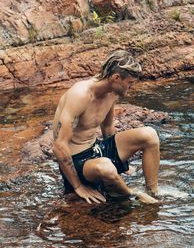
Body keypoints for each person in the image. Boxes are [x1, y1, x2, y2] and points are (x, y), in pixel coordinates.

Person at [52, 50, 159, 204]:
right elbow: (59, 146)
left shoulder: (112, 92)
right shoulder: (80, 95)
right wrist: (78, 186)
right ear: (116, 78)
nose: (131, 87)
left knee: (149, 135)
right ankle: (134, 195)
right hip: (78, 161)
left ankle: (153, 193)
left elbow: (107, 128)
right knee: (107, 168)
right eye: (130, 83)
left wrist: (121, 165)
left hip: (96, 148)